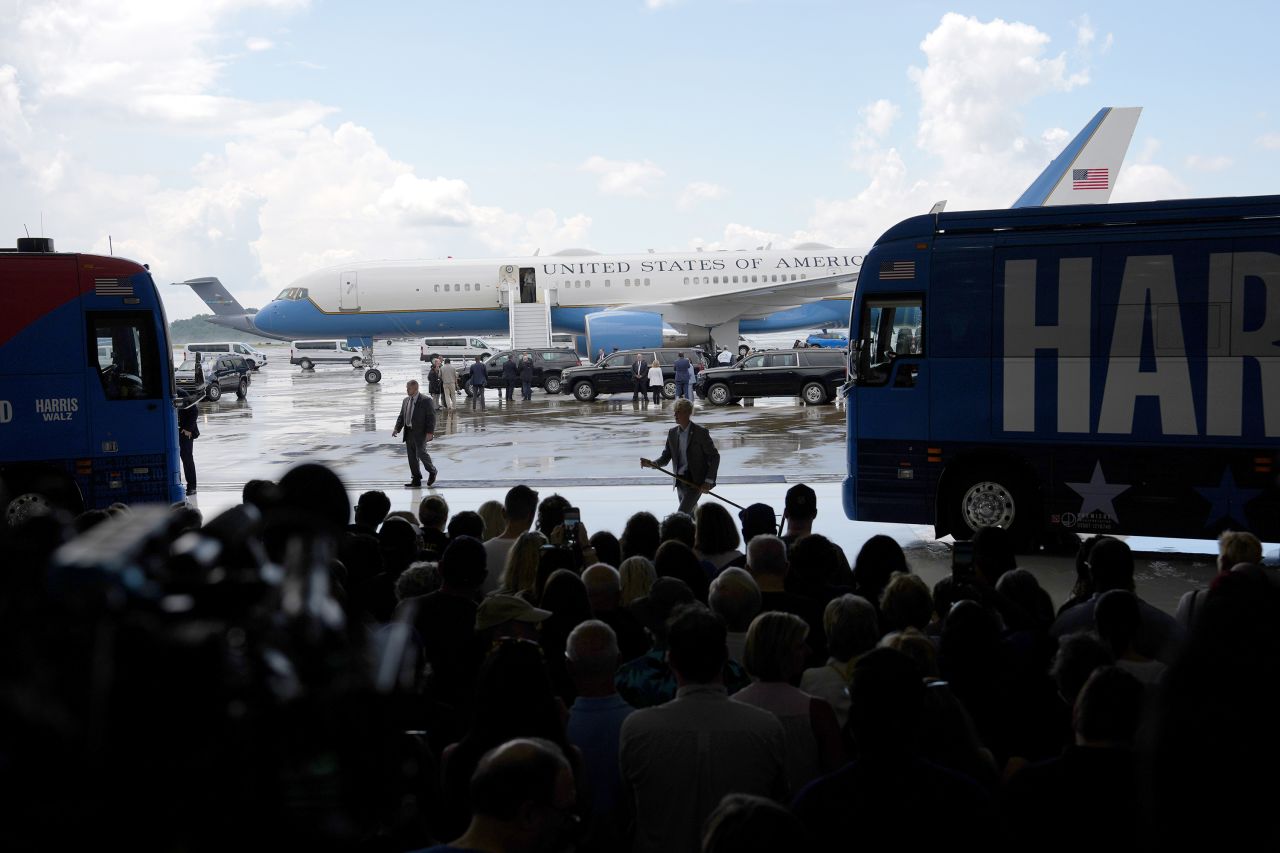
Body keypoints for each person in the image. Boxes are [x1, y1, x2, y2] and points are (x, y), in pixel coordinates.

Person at [619, 604, 787, 853]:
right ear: (725, 656)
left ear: (670, 659)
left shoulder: (637, 728)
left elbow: (630, 807)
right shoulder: (766, 728)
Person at [641, 398, 720, 515]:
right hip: (680, 481)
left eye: (678, 411)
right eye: (675, 411)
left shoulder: (700, 433)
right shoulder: (672, 433)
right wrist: (652, 464)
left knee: (681, 514)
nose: (675, 414)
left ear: (688, 413)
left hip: (696, 483)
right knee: (691, 516)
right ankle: (700, 531)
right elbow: (665, 457)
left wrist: (708, 481)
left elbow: (714, 457)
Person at [391, 379, 438, 488]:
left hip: (421, 432)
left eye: (409, 388)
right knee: (412, 457)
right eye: (407, 388)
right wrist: (397, 428)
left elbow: (431, 417)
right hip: (409, 432)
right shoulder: (406, 400)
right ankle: (416, 479)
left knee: (421, 453)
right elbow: (402, 416)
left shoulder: (426, 400)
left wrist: (430, 432)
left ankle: (432, 471)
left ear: (416, 388)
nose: (407, 390)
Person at [176, 388, 200, 495]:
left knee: (187, 458)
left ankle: (192, 487)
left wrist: (188, 429)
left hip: (184, 431)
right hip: (172, 431)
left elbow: (194, 411)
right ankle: (177, 484)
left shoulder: (181, 393)